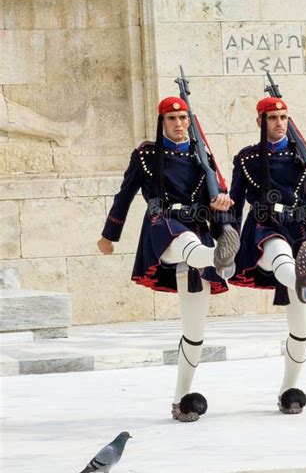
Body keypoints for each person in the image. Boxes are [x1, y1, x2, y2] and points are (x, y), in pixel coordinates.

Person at [97, 96, 239, 422]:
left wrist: (224, 217)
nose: (178, 124)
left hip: (198, 231)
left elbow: (218, 206)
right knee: (187, 243)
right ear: (162, 122)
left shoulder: (202, 157)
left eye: (183, 118)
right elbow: (125, 195)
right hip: (164, 227)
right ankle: (219, 258)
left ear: (189, 121)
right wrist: (109, 235)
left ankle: (181, 400)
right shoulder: (147, 155)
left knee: (195, 332)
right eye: (172, 118)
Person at [228, 96, 306, 414]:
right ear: (260, 121)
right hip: (263, 227)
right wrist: (226, 240)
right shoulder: (247, 158)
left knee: (303, 331)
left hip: (301, 232)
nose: (279, 122)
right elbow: (235, 205)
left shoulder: (305, 157)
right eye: (273, 117)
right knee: (277, 250)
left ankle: (289, 388)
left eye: (284, 117)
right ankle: (300, 278)